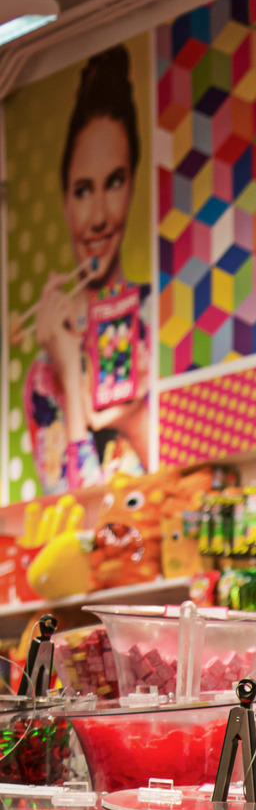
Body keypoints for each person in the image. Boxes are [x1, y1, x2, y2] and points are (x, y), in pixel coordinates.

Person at [23, 46, 150, 493]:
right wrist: (66, 364)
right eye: (82, 190)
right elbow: (75, 510)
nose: (98, 217)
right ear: (64, 200)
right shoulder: (44, 376)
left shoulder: (153, 323)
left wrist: (132, 419)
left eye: (113, 182)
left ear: (132, 184)